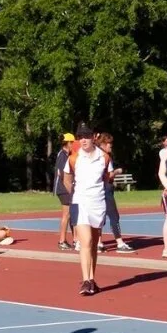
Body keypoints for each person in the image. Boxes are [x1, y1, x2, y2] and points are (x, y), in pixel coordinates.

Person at [63, 123, 107, 295]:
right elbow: (66, 178)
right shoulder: (74, 158)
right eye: (80, 137)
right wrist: (74, 194)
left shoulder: (104, 157)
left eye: (86, 136)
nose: (83, 140)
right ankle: (86, 280)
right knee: (86, 241)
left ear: (94, 137)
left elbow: (106, 178)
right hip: (80, 202)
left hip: (98, 203)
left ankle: (92, 279)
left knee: (94, 243)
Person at [96, 133, 135, 254]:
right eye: (110, 145)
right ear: (104, 144)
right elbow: (109, 174)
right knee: (114, 216)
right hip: (106, 188)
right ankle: (120, 243)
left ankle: (98, 243)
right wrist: (117, 171)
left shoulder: (94, 155)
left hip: (97, 189)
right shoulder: (105, 156)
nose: (111, 147)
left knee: (99, 217)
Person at [53, 132, 76, 250]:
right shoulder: (63, 155)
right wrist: (70, 189)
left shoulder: (66, 154)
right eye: (72, 142)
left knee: (72, 214)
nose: (74, 144)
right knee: (66, 215)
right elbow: (62, 174)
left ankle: (75, 239)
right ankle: (62, 240)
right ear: (67, 143)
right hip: (63, 188)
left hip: (64, 187)